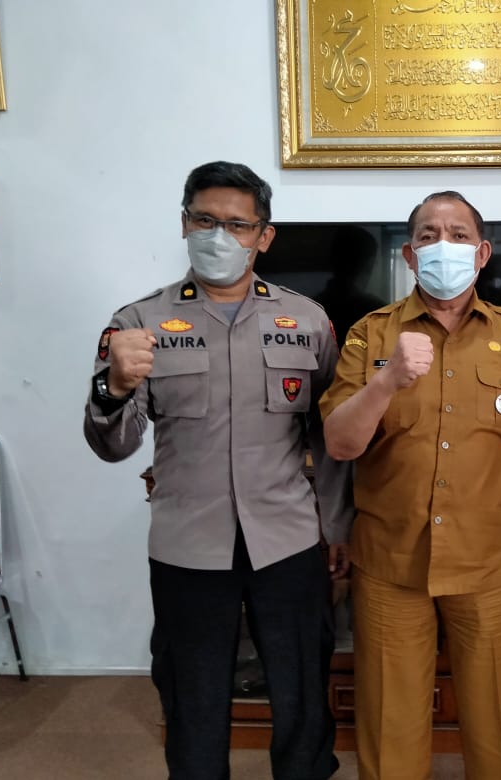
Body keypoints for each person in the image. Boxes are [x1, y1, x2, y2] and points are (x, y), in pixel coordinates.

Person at [83, 161, 352, 780]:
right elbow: (113, 446)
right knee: (192, 695)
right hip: (188, 544)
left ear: (264, 236)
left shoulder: (308, 321)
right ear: (184, 224)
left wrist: (339, 528)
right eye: (205, 220)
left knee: (302, 691)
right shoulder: (137, 323)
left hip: (287, 540)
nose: (219, 236)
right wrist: (113, 386)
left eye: (237, 224)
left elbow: (331, 438)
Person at [319, 191, 501, 780]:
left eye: (458, 235)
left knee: (500, 726)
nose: (442, 246)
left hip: (488, 562)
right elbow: (340, 445)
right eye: (428, 235)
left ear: (482, 253)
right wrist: (387, 382)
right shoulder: (370, 335)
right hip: (390, 562)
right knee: (391, 730)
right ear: (409, 255)